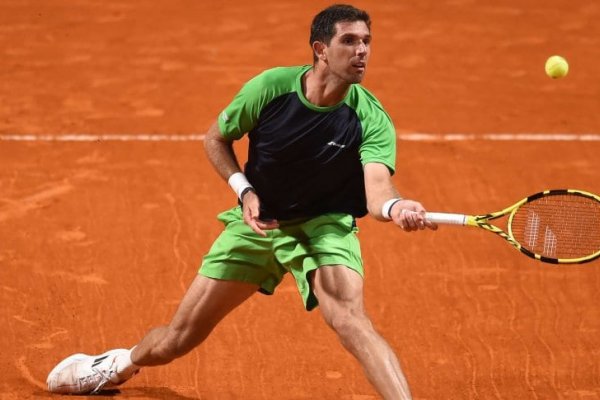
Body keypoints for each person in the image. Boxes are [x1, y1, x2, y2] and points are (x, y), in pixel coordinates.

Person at [46, 4, 437, 399]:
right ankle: (117, 365)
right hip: (258, 222)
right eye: (349, 41)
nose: (362, 51)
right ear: (320, 49)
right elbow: (216, 138)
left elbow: (378, 190)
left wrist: (396, 207)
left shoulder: (369, 118)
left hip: (323, 227)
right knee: (178, 339)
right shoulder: (270, 88)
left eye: (367, 41)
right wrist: (245, 190)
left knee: (351, 321)